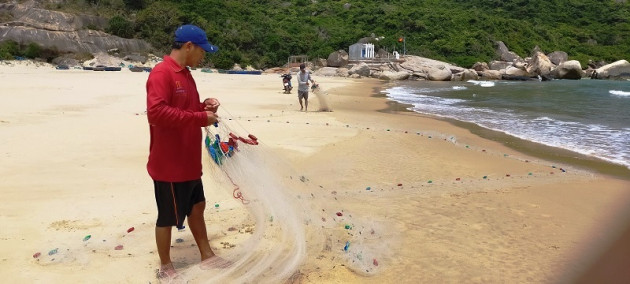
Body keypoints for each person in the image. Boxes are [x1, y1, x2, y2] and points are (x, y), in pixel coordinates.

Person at [145, 24, 221, 279]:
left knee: (197, 206)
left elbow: (186, 110)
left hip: (189, 159)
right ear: (189, 46)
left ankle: (207, 255)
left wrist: (205, 107)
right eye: (202, 51)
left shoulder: (186, 74)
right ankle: (166, 266)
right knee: (167, 216)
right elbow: (156, 113)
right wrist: (201, 117)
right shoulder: (161, 73)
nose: (203, 56)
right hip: (169, 163)